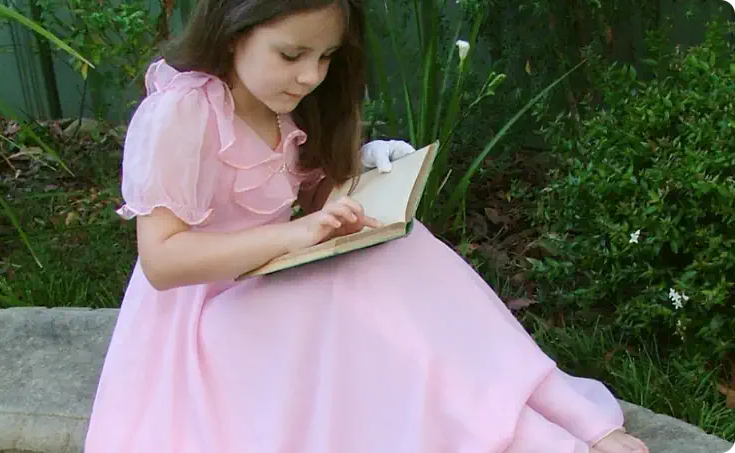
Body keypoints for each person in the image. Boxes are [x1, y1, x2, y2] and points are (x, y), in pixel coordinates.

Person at [83, 1, 650, 452]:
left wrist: (363, 177)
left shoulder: (284, 103)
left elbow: (305, 192)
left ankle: (558, 407)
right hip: (200, 331)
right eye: (291, 54)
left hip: (265, 291)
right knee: (340, 288)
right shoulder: (183, 110)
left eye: (326, 57)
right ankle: (538, 442)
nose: (310, 75)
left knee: (404, 248)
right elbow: (162, 261)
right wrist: (297, 236)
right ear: (235, 32)